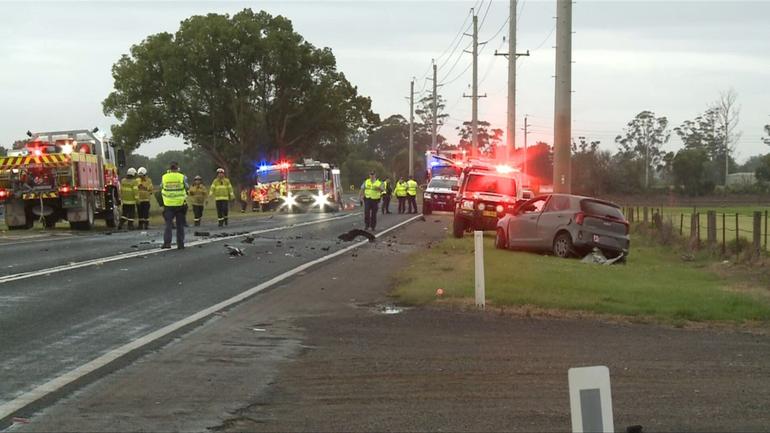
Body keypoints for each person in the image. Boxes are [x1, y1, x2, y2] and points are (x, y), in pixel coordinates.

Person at [160, 161, 189, 249]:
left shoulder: (164, 177)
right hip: (180, 204)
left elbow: (161, 187)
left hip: (168, 204)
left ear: (170, 169)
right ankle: (180, 244)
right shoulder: (182, 177)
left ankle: (167, 243)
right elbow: (186, 187)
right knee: (180, 224)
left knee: (168, 224)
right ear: (177, 168)